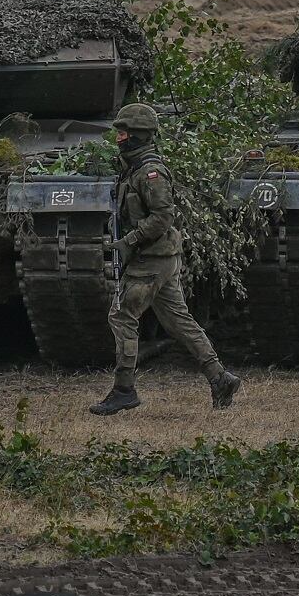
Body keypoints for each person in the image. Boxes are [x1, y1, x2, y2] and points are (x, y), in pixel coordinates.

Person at [89, 103, 244, 416]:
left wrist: (129, 241)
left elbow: (163, 216)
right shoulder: (133, 168)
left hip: (150, 259)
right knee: (178, 321)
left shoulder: (150, 172)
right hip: (160, 258)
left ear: (138, 135)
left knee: (122, 316)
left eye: (123, 133)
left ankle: (124, 390)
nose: (119, 139)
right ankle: (220, 378)